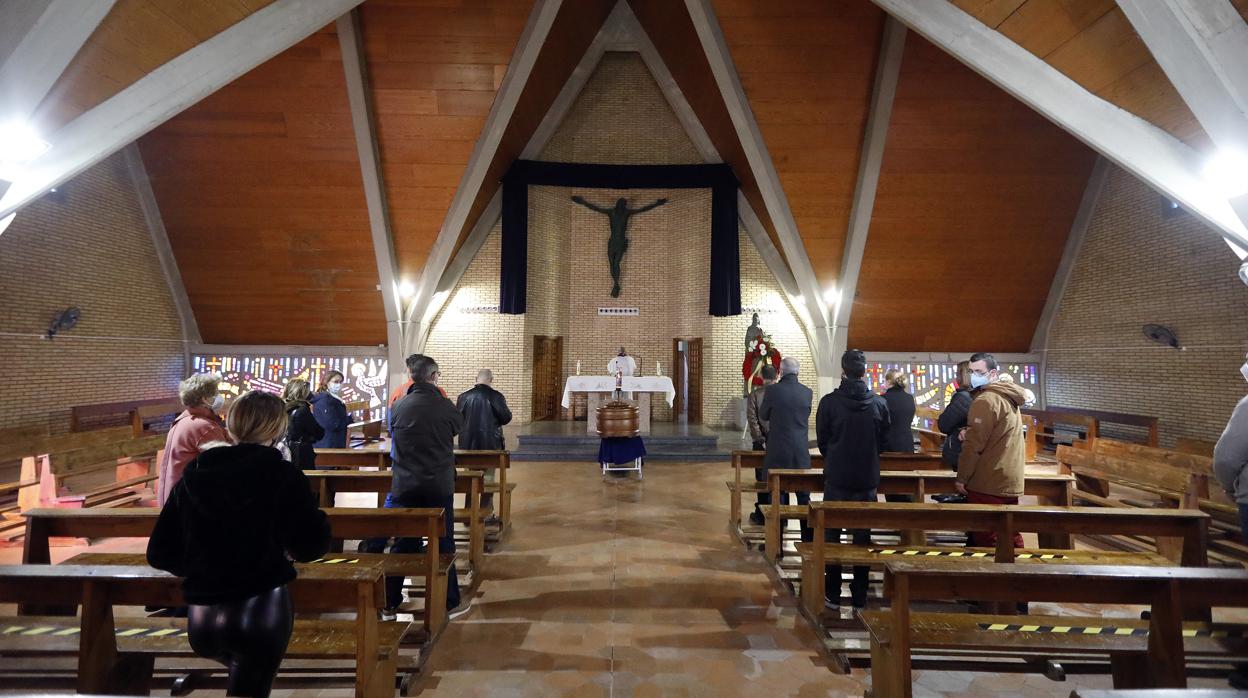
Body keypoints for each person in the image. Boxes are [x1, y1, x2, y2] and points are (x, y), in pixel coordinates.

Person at [147, 390, 330, 698]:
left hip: (202, 613)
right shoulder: (283, 475)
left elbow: (160, 552)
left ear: (231, 426)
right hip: (259, 609)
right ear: (277, 430)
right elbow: (310, 546)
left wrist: (206, 566)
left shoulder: (197, 473)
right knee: (251, 687)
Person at [367, 356, 469, 620]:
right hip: (437, 483)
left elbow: (392, 432)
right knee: (444, 540)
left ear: (412, 376)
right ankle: (450, 601)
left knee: (403, 540)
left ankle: (389, 602)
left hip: (404, 483)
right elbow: (458, 427)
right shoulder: (444, 406)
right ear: (434, 376)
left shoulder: (399, 406)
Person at [816, 350, 890, 608]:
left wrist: (835, 456)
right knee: (862, 538)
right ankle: (860, 594)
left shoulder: (829, 403)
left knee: (832, 536)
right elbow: (883, 440)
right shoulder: (879, 403)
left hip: (837, 477)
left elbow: (823, 441)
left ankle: (833, 593)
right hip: (866, 478)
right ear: (865, 371)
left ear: (842, 372)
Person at [956, 352, 1028, 548]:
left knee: (988, 537)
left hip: (989, 478)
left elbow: (974, 445)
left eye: (978, 371)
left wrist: (962, 476)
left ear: (993, 373)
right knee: (1010, 531)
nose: (973, 376)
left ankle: (992, 577)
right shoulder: (1008, 395)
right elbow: (997, 432)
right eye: (971, 371)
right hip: (1008, 475)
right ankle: (1019, 574)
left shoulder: (986, 400)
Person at [759, 356, 814, 543]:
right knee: (804, 498)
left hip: (778, 450)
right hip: (800, 451)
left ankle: (776, 543)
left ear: (780, 372)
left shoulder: (773, 391)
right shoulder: (807, 392)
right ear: (798, 372)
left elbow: (763, 414)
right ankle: (808, 543)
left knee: (777, 496)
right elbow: (805, 415)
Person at [158, 372, 230, 506]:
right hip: (186, 502)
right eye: (215, 393)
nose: (219, 396)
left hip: (170, 497)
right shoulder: (204, 427)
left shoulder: (184, 420)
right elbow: (224, 466)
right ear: (205, 399)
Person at [457, 369, 513, 516]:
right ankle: (486, 513)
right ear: (491, 379)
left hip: (467, 446)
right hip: (490, 444)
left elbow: (457, 421)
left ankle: (468, 512)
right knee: (487, 480)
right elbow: (506, 418)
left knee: (470, 479)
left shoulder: (463, 397)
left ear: (476, 378)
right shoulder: (496, 396)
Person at [746, 364, 777, 526]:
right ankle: (779, 514)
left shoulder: (755, 395)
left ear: (762, 377)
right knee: (779, 478)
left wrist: (760, 440)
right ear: (777, 376)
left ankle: (762, 513)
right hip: (779, 442)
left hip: (762, 442)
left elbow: (753, 419)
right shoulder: (781, 394)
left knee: (761, 477)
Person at [937, 360, 974, 469]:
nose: (956, 378)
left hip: (960, 449)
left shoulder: (962, 397)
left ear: (963, 376)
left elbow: (944, 424)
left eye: (957, 374)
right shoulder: (978, 394)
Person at [281, 378, 323, 470]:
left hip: (285, 449)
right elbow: (319, 433)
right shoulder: (303, 410)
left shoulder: (280, 407)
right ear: (302, 392)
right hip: (301, 453)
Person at [311, 370, 348, 448]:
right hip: (327, 443)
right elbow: (332, 424)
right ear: (327, 382)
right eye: (336, 381)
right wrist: (349, 419)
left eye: (341, 382)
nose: (339, 384)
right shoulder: (325, 400)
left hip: (335, 441)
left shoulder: (334, 398)